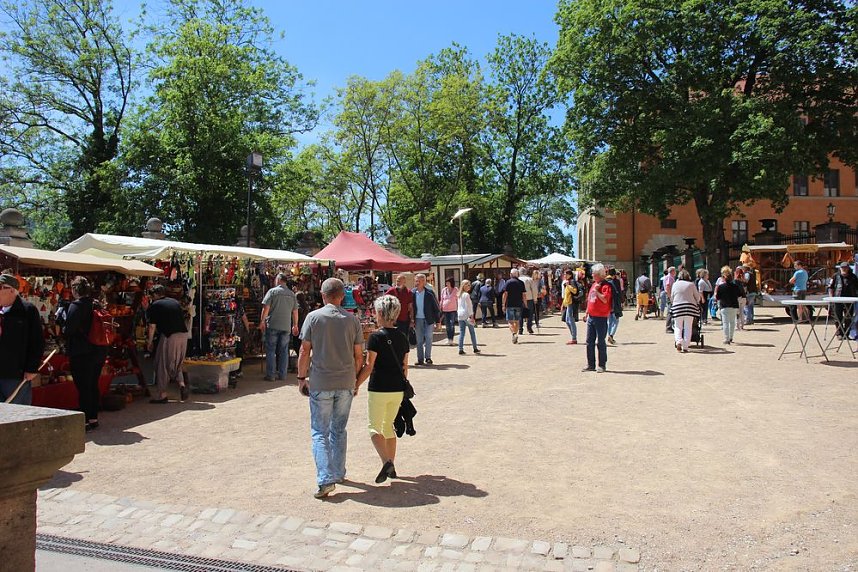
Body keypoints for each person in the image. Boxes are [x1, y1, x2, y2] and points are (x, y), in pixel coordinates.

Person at [297, 278, 364, 499]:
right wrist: (354, 380)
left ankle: (326, 479)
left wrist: (301, 377)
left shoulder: (313, 318)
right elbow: (358, 356)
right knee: (339, 429)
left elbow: (304, 351)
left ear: (323, 295)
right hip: (345, 381)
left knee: (319, 431)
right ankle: (338, 472)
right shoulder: (352, 320)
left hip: (321, 381)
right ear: (341, 295)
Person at [355, 295, 409, 485]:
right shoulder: (402, 336)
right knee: (388, 426)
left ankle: (386, 462)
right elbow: (405, 366)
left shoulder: (376, 337)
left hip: (379, 388)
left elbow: (369, 366)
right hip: (397, 389)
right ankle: (392, 464)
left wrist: (356, 384)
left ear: (379, 313)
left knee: (374, 428)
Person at [64, 277, 109, 431]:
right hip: (99, 349)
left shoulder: (76, 306)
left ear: (75, 289)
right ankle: (93, 418)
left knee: (83, 386)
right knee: (92, 384)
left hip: (82, 351)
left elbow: (69, 329)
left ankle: (85, 421)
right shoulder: (95, 303)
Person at [0, 272, 44, 405]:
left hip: (16, 374)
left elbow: (36, 341)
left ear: (12, 290)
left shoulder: (27, 310)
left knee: (17, 412)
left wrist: (32, 368)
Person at [146, 285, 189, 403]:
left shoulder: (155, 305)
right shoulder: (174, 302)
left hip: (170, 336)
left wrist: (149, 342)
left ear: (155, 295)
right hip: (183, 335)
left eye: (152, 295)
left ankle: (162, 395)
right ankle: (182, 384)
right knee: (176, 363)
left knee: (162, 364)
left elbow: (152, 326)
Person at [259, 273, 299, 381]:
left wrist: (262, 321)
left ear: (278, 280)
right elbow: (295, 312)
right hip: (286, 326)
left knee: (271, 350)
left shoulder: (272, 292)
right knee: (284, 350)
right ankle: (282, 374)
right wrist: (295, 325)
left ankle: (271, 375)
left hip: (273, 324)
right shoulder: (292, 294)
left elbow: (266, 308)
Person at [581, 263, 612, 373]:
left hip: (601, 317)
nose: (592, 276)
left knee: (601, 342)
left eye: (594, 274)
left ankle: (602, 365)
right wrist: (587, 312)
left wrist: (598, 291)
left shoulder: (605, 286)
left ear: (599, 274)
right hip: (591, 317)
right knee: (589, 341)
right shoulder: (594, 284)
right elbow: (590, 299)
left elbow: (604, 300)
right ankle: (591, 364)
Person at [411, 273, 441, 365]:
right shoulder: (412, 292)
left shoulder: (429, 293)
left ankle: (428, 357)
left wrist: (438, 321)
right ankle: (420, 359)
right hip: (417, 319)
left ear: (424, 282)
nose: (417, 282)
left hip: (429, 319)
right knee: (419, 340)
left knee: (428, 338)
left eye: (419, 281)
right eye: (416, 280)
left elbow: (436, 307)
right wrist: (411, 320)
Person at [670, 269, 702, 353]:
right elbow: (698, 297)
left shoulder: (675, 284)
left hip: (677, 307)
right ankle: (686, 346)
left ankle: (678, 341)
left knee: (678, 326)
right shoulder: (691, 285)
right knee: (688, 327)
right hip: (690, 308)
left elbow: (672, 297)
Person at [827, 262, 858, 339]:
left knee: (848, 317)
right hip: (837, 299)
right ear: (840, 268)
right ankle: (839, 333)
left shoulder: (853, 277)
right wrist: (831, 298)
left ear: (848, 268)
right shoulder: (835, 276)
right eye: (842, 267)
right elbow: (830, 287)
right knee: (837, 317)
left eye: (845, 268)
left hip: (850, 300)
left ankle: (846, 333)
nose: (844, 269)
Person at [715, 266, 742, 344]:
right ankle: (731, 337)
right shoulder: (735, 286)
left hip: (724, 306)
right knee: (732, 322)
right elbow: (739, 295)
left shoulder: (721, 287)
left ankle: (726, 338)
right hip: (734, 305)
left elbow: (717, 297)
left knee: (725, 323)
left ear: (724, 279)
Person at [501, 268, 526, 344]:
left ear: (511, 274)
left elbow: (505, 294)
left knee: (510, 321)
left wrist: (503, 304)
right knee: (517, 321)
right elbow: (524, 295)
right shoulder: (521, 283)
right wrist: (525, 304)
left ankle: (514, 333)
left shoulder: (508, 282)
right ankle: (516, 333)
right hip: (518, 304)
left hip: (510, 304)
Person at [456, 280, 480, 355]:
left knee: (462, 332)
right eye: (468, 285)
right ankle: (475, 348)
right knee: (472, 332)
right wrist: (472, 316)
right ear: (465, 286)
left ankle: (460, 348)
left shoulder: (459, 294)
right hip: (466, 315)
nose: (470, 286)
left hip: (460, 315)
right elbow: (469, 306)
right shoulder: (466, 295)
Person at [561, 269, 581, 345]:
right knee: (567, 320)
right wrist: (563, 304)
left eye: (566, 274)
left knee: (571, 321)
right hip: (568, 304)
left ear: (570, 275)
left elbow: (574, 291)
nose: (564, 275)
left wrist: (568, 286)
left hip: (572, 304)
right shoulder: (568, 282)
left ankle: (574, 338)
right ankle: (573, 336)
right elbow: (566, 295)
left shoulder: (571, 282)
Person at [439, 277, 459, 346]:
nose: (446, 284)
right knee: (447, 325)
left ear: (451, 283)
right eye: (446, 282)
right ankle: (449, 339)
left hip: (453, 310)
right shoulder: (444, 290)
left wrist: (459, 308)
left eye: (448, 282)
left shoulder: (455, 290)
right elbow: (441, 299)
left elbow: (458, 299)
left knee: (451, 324)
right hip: (445, 310)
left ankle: (451, 339)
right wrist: (440, 307)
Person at [519, 267, 539, 334]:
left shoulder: (518, 279)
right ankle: (529, 327)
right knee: (530, 314)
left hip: (520, 299)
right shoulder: (529, 279)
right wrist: (535, 299)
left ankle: (520, 329)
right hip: (529, 298)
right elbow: (534, 290)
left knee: (520, 314)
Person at [606, 268, 622, 345]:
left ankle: (609, 335)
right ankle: (611, 335)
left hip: (607, 304)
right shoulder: (616, 282)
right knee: (616, 321)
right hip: (615, 304)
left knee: (609, 321)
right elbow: (619, 293)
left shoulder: (606, 282)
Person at [663, 266, 676, 333]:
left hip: (669, 295)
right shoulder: (669, 277)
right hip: (669, 295)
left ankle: (670, 326)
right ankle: (668, 327)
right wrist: (670, 296)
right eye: (675, 271)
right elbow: (668, 286)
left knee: (670, 310)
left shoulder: (668, 277)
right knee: (670, 311)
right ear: (672, 271)